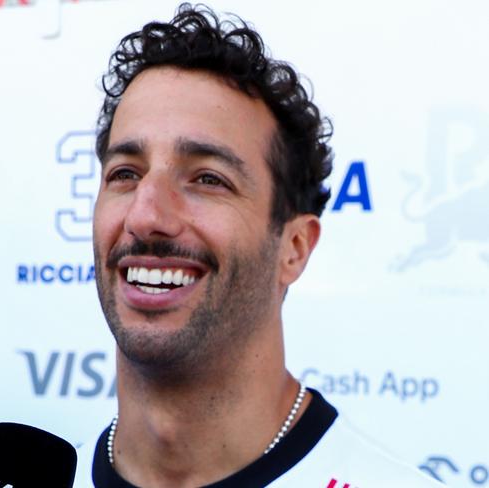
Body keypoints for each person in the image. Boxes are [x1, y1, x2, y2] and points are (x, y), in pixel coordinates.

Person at [74, 3, 441, 487]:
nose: (145, 216)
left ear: (294, 248)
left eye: (208, 178)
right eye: (125, 174)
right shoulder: (35, 476)